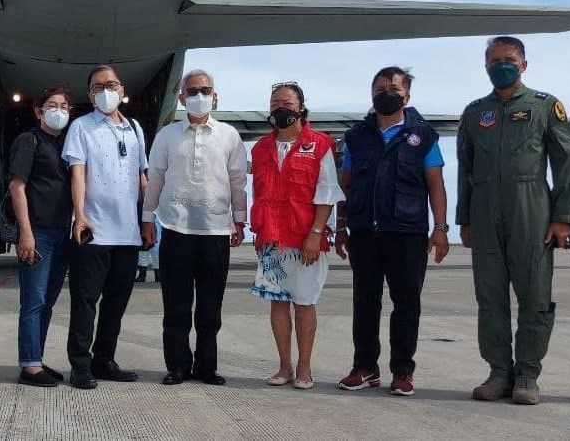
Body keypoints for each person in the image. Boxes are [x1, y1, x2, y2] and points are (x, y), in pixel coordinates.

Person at [456, 36, 570, 405]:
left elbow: (566, 163)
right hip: (485, 210)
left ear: (524, 64)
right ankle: (498, 372)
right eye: (493, 61)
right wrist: (465, 219)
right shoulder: (475, 112)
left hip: (532, 209)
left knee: (535, 295)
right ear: (485, 66)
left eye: (508, 59)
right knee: (490, 296)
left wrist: (563, 216)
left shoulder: (546, 106)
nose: (501, 66)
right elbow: (465, 169)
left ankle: (527, 373)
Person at [334, 67, 450, 397]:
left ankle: (402, 371)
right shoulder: (357, 137)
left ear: (407, 95)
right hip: (364, 234)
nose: (386, 92)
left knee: (406, 303)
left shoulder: (423, 135)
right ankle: (365, 367)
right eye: (380, 87)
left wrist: (440, 229)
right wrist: (340, 229)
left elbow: (436, 186)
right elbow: (345, 185)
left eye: (393, 88)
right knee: (365, 302)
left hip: (408, 233)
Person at [142, 69, 247, 386]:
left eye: (205, 90)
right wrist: (148, 219)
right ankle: (177, 366)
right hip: (175, 229)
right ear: (181, 97)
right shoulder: (167, 135)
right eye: (192, 91)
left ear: (215, 95)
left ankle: (206, 367)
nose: (199, 96)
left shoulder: (229, 135)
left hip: (215, 232)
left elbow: (238, 180)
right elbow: (155, 179)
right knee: (176, 305)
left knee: (210, 309)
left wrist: (239, 219)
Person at [249, 81, 343, 390]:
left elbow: (327, 193)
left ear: (301, 107)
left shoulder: (320, 144)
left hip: (305, 240)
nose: (280, 109)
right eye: (275, 103)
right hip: (272, 241)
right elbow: (259, 192)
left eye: (287, 104)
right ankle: (284, 366)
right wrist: (259, 235)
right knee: (277, 303)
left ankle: (305, 367)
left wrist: (316, 233)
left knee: (304, 303)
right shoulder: (261, 148)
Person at [62, 64, 147, 390]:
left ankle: (104, 359)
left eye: (111, 85)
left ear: (122, 90)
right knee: (85, 301)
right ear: (90, 94)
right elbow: (78, 174)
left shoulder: (135, 129)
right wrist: (80, 216)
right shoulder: (81, 127)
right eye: (98, 87)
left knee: (116, 302)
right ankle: (80, 365)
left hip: (127, 233)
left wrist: (148, 218)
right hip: (94, 232)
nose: (106, 91)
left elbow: (142, 177)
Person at [9, 86, 74, 387]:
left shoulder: (67, 145)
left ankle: (36, 357)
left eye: (64, 106)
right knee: (33, 301)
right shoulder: (29, 140)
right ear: (38, 111)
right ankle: (29, 366)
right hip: (38, 233)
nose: (59, 111)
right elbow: (17, 187)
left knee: (47, 302)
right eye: (52, 105)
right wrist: (26, 233)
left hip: (62, 233)